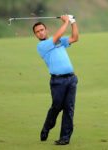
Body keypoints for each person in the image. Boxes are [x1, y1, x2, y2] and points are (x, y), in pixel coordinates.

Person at [32, 15, 79, 145]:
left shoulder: (58, 41)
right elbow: (57, 36)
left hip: (71, 79)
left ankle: (65, 138)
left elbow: (75, 38)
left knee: (69, 109)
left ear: (46, 30)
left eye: (42, 30)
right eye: (37, 31)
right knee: (56, 107)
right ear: (35, 35)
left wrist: (73, 22)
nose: (40, 32)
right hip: (57, 82)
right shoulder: (42, 46)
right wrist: (65, 22)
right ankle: (47, 127)